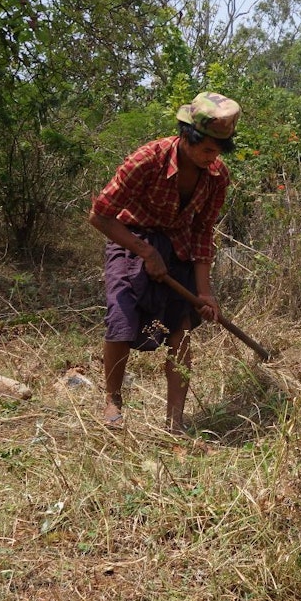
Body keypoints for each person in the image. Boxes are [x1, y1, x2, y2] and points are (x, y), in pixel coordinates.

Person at [88, 92, 240, 431]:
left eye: (218, 151)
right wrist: (145, 251)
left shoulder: (217, 176)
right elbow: (100, 215)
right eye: (207, 150)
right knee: (121, 318)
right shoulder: (147, 160)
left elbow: (202, 232)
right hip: (130, 239)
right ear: (187, 136)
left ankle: (175, 422)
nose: (212, 158)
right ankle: (113, 400)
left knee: (180, 330)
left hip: (179, 247)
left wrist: (205, 292)